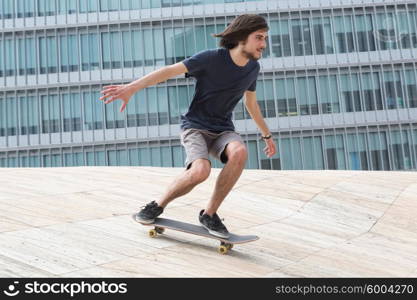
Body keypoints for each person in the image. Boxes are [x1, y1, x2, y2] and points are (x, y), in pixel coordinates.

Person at [99, 14, 276, 238]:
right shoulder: (211, 59)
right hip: (195, 126)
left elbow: (251, 103)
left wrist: (267, 136)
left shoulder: (253, 68)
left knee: (239, 152)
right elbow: (168, 71)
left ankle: (209, 214)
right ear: (242, 37)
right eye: (259, 37)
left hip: (223, 129)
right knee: (201, 171)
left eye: (265, 38)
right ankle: (156, 205)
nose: (264, 44)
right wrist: (132, 88)